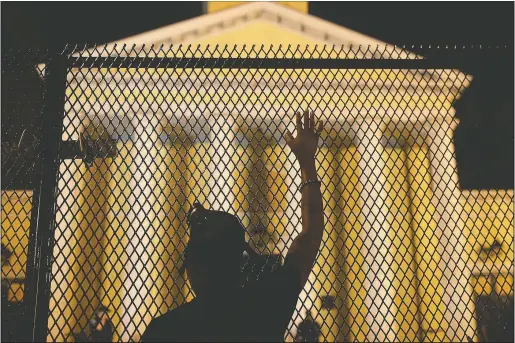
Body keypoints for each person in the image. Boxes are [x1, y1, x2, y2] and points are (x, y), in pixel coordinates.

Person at [142, 111, 325, 342]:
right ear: (238, 263)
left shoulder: (165, 331)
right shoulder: (265, 311)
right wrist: (307, 162)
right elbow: (311, 231)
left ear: (191, 268)